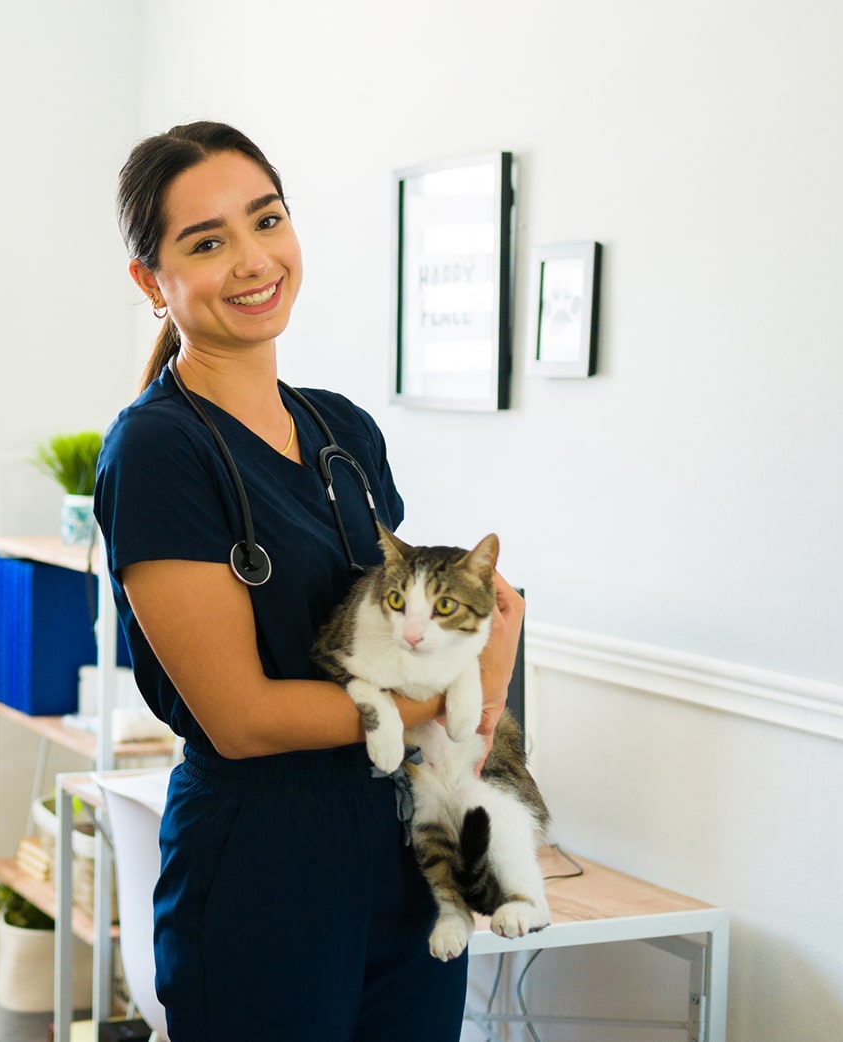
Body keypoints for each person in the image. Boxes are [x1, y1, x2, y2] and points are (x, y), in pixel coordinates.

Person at [94, 122, 525, 1040]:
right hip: (264, 864)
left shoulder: (343, 433)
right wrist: (445, 702)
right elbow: (243, 718)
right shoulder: (160, 451)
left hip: (403, 847)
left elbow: (442, 618)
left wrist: (478, 691)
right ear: (150, 281)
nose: (253, 261)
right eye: (207, 242)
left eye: (268, 220)